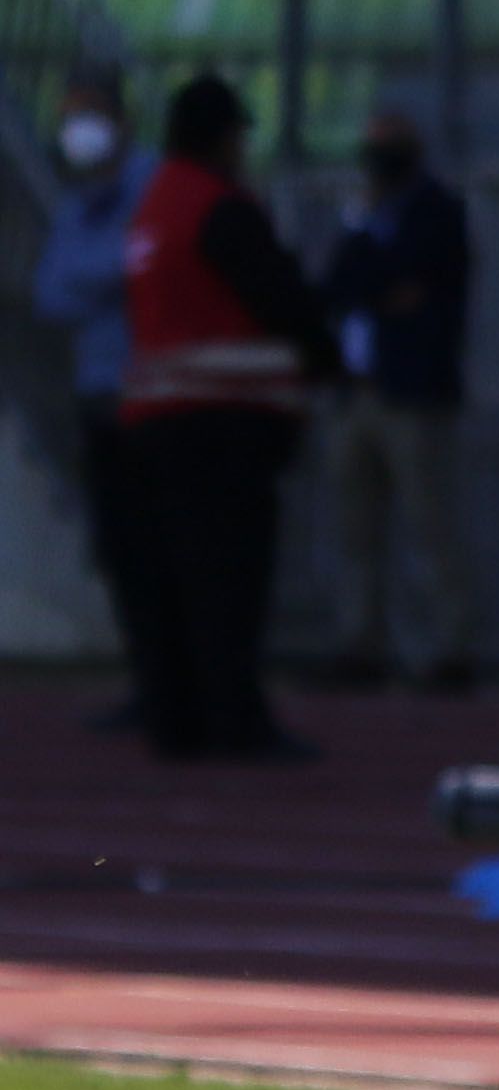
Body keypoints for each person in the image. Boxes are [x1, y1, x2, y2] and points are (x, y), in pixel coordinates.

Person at [119, 73, 331, 762]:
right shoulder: (218, 207)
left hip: (157, 421)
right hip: (221, 425)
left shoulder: (156, 206)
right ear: (221, 136)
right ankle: (236, 723)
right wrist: (328, 357)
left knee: (172, 583)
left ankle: (176, 718)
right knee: (229, 581)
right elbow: (284, 300)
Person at [315, 106, 477, 693]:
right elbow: (342, 286)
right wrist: (380, 286)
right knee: (356, 528)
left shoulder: (437, 212)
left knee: (429, 524)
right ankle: (360, 644)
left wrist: (378, 284)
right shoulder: (364, 214)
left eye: (390, 143)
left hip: (411, 395)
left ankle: (450, 650)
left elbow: (414, 284)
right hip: (355, 393)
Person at [29, 67, 163, 733]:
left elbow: (140, 266)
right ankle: (147, 680)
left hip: (153, 393)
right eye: (68, 113)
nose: (77, 127)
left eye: (89, 112)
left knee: (162, 543)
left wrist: (105, 274)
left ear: (121, 118)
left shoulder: (152, 184)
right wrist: (108, 274)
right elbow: (51, 290)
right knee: (120, 545)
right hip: (98, 394)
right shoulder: (80, 199)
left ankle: (179, 683)